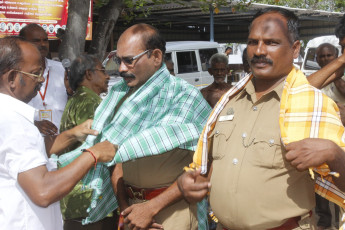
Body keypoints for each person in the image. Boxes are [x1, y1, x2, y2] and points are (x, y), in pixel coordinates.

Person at [177, 8, 345, 230]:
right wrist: (188, 182)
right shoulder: (228, 101)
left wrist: (334, 154)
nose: (259, 51)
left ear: (295, 49)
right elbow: (209, 166)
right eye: (253, 42)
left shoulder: (313, 105)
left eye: (271, 42)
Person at [56, 23, 211, 229]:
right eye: (118, 60)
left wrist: (151, 207)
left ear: (156, 57)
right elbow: (115, 159)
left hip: (171, 213)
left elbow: (204, 166)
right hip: (131, 211)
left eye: (129, 61)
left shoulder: (184, 97)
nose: (121, 69)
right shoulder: (118, 97)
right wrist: (125, 207)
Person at [0, 36, 116, 230]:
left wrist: (72, 134)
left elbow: (32, 152)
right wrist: (93, 154)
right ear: (12, 78)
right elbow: (43, 191)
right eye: (36, 73)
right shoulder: (15, 123)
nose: (42, 80)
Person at [59, 55, 113, 230]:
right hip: (89, 197)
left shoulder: (78, 99)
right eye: (103, 71)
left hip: (79, 193)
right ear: (89, 74)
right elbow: (98, 145)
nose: (108, 76)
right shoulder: (89, 102)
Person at [20, 23, 67, 136]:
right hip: (29, 140)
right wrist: (34, 124)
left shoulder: (61, 70)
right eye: (36, 41)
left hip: (59, 141)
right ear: (23, 44)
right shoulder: (15, 73)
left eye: (45, 40)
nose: (42, 44)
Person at [314, 43, 341, 230]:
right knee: (320, 178)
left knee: (341, 180)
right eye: (321, 56)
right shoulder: (315, 80)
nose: (324, 59)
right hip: (321, 137)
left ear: (337, 55)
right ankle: (324, 219)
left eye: (329, 55)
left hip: (341, 140)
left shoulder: (340, 76)